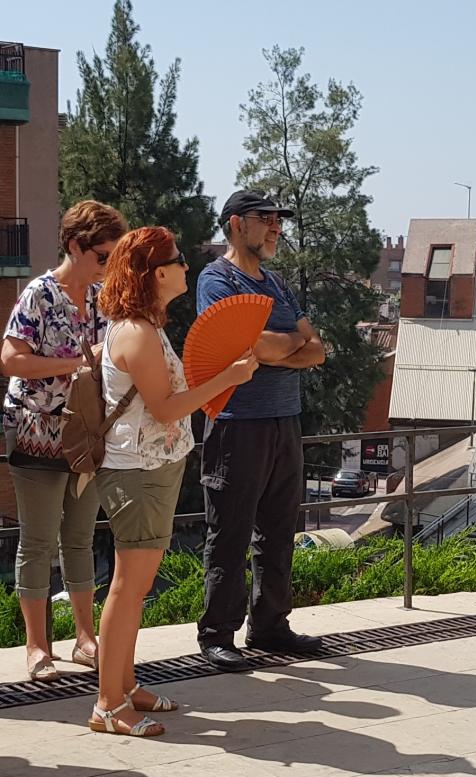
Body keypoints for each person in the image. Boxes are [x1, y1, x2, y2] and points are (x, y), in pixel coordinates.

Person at [90, 226, 258, 737]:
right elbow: (165, 409)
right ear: (156, 273)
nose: (187, 266)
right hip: (138, 472)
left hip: (149, 468)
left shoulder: (142, 326)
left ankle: (124, 686)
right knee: (127, 588)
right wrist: (228, 379)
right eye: (179, 260)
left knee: (135, 587)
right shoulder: (138, 333)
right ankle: (108, 705)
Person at [195, 191, 326, 671]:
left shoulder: (277, 284)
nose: (276, 226)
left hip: (284, 419)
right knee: (229, 532)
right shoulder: (216, 279)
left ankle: (270, 626)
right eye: (265, 218)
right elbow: (245, 346)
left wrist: (275, 347)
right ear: (236, 224)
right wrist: (289, 345)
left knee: (279, 529)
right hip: (236, 424)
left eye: (278, 219)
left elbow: (317, 349)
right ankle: (217, 634)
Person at [1, 200, 127, 682]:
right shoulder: (39, 293)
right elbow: (10, 360)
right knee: (37, 541)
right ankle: (37, 648)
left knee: (79, 539)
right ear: (75, 245)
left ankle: (85, 639)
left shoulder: (103, 297)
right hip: (35, 431)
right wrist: (78, 362)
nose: (108, 266)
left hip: (86, 435)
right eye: (103, 256)